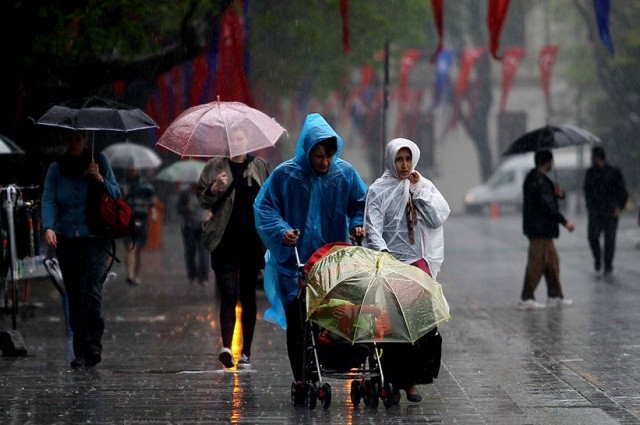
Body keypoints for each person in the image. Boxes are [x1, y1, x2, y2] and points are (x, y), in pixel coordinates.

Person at [253, 112, 367, 403]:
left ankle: (327, 364)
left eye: (328, 156)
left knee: (333, 319)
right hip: (295, 264)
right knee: (298, 322)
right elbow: (265, 208)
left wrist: (356, 224)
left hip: (332, 263)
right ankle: (303, 377)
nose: (324, 163)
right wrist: (282, 231)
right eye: (318, 156)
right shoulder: (286, 175)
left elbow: (361, 204)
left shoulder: (344, 175)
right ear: (307, 150)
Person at [364, 137, 450, 404]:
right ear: (392, 160)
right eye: (399, 159)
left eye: (408, 159)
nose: (404, 165)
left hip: (417, 264)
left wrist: (418, 192)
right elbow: (373, 227)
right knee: (393, 327)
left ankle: (413, 381)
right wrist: (384, 255)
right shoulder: (378, 190)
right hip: (391, 265)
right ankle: (393, 379)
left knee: (421, 326)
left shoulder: (420, 185)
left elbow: (436, 219)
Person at [41, 129, 121, 368]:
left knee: (91, 290)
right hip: (67, 240)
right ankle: (80, 351)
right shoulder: (56, 169)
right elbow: (48, 199)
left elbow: (117, 194)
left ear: (85, 139)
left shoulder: (99, 162)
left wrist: (99, 178)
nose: (73, 143)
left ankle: (94, 344)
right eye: (69, 139)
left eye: (78, 139)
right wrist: (49, 227)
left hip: (95, 239)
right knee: (74, 294)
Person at [197, 125, 270, 370]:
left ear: (247, 139)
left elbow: (270, 198)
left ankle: (246, 351)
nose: (235, 142)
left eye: (239, 137)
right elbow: (202, 199)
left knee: (248, 295)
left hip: (251, 241)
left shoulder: (259, 166)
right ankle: (227, 346)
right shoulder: (214, 167)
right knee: (228, 293)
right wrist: (214, 188)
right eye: (231, 138)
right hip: (224, 240)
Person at [518, 149, 575, 310]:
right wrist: (565, 222)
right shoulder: (539, 181)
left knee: (552, 262)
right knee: (536, 264)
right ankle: (526, 297)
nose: (552, 164)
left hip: (541, 229)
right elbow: (548, 206)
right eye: (551, 161)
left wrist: (559, 194)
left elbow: (548, 199)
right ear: (547, 162)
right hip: (539, 230)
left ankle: (555, 295)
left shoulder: (537, 179)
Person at [583, 146, 628, 276]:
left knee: (610, 240)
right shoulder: (590, 173)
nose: (591, 159)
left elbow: (622, 191)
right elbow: (587, 191)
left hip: (610, 211)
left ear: (597, 157)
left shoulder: (614, 172)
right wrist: (589, 206)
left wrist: (619, 206)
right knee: (592, 237)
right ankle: (598, 258)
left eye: (592, 156)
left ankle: (608, 265)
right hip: (595, 211)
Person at [121, 166, 156, 286]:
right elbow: (118, 202)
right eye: (130, 169)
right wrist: (124, 195)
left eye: (133, 169)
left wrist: (153, 212)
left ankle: (135, 275)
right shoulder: (124, 185)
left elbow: (151, 201)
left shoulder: (145, 185)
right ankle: (130, 275)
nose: (131, 171)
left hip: (142, 221)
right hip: (128, 221)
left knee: (139, 250)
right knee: (131, 247)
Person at [177, 182, 210, 286]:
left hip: (203, 227)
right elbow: (179, 209)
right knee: (190, 252)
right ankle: (192, 275)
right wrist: (186, 208)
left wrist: (209, 215)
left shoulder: (208, 191)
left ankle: (204, 277)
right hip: (188, 227)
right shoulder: (184, 192)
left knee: (204, 252)